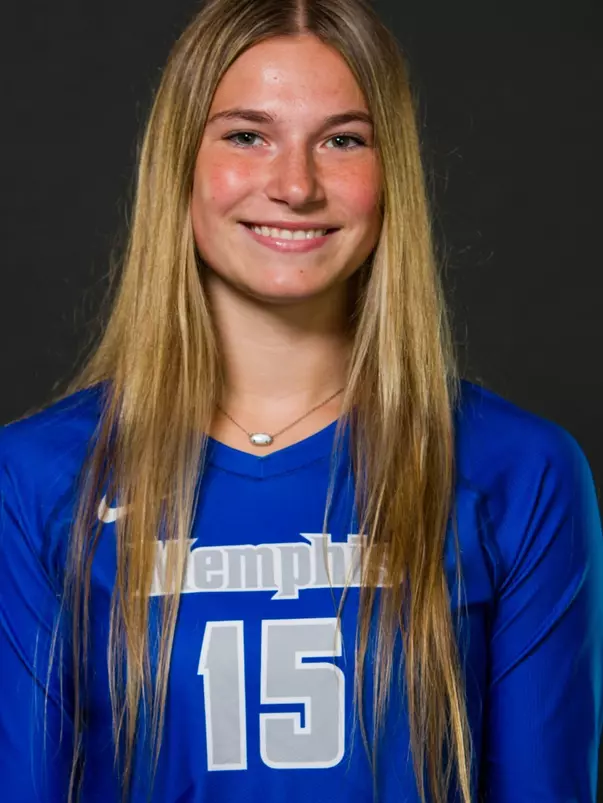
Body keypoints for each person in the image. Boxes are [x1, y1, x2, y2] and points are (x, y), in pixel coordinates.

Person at [0, 0, 602, 801]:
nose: (294, 184)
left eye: (342, 140)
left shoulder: (517, 468)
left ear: (390, 175)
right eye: (247, 135)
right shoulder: (37, 478)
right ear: (180, 161)